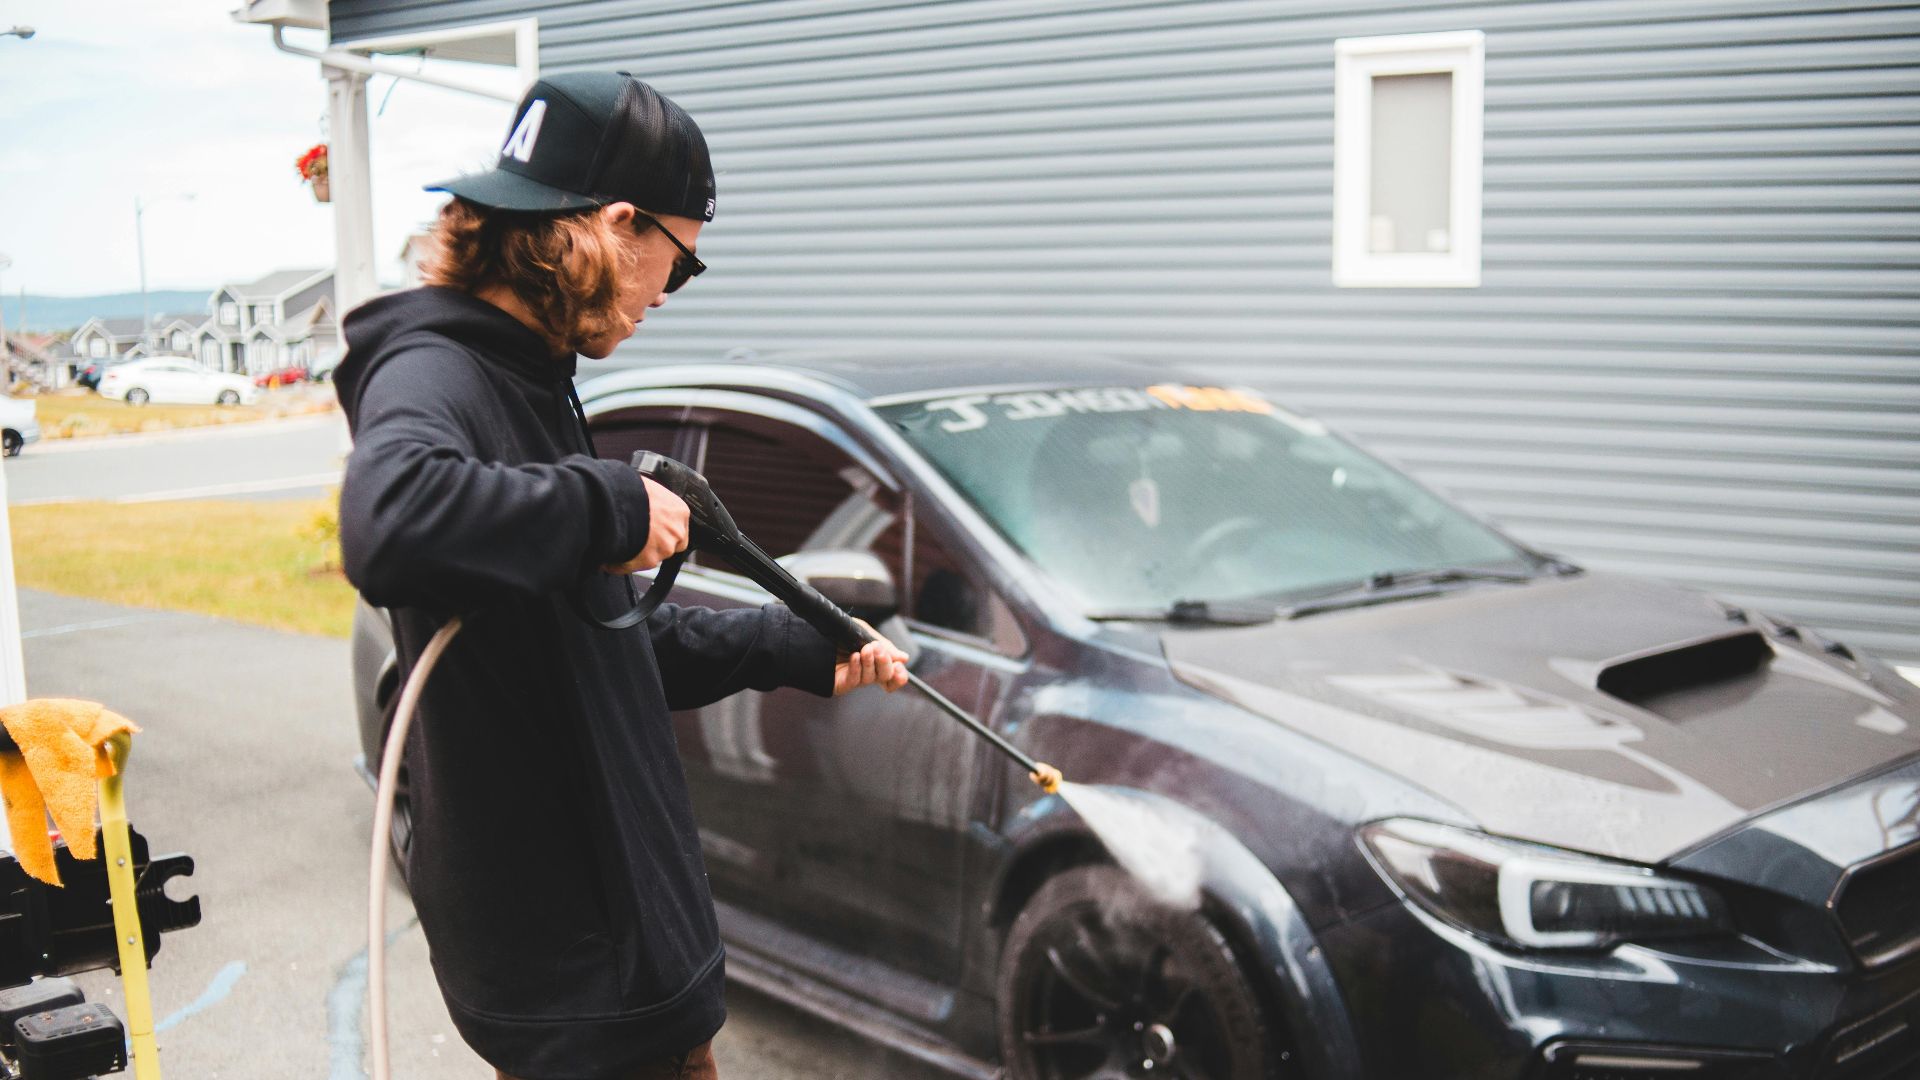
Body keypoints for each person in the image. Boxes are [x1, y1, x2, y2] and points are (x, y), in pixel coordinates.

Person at [332, 72, 910, 1080]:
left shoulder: (533, 378)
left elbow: (594, 640)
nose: (665, 294)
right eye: (678, 265)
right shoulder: (437, 373)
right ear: (614, 228)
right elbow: (388, 520)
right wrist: (611, 507)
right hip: (574, 988)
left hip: (630, 964)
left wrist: (796, 646)